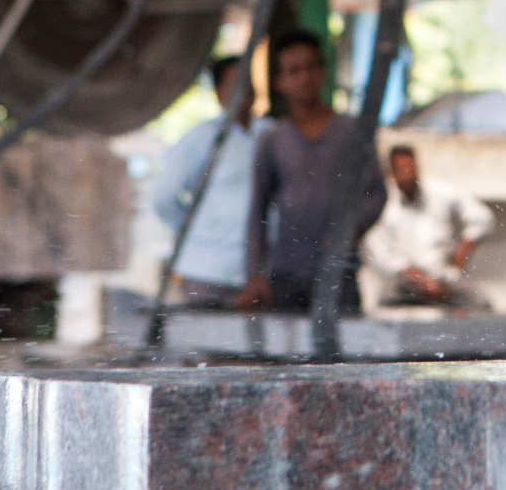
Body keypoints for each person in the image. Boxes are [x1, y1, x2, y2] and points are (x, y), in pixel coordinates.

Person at [235, 30, 385, 313]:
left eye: (311, 67)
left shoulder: (352, 132)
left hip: (340, 271)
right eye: (294, 70)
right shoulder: (273, 141)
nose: (305, 77)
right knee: (288, 352)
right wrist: (254, 275)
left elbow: (377, 192)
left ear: (323, 71)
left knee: (344, 351)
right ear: (279, 82)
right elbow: (258, 211)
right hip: (286, 274)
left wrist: (350, 229)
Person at [149, 55, 265, 308]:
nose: (243, 89)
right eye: (235, 82)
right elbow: (163, 198)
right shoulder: (200, 139)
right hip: (208, 271)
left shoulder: (270, 134)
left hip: (260, 273)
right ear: (218, 91)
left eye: (248, 81)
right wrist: (195, 227)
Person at [362, 144, 494, 308]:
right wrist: (423, 282)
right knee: (383, 311)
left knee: (482, 305)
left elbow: (481, 218)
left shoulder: (440, 193)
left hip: (445, 279)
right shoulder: (383, 204)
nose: (408, 174)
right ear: (392, 173)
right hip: (403, 284)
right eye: (401, 169)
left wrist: (457, 264)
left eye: (411, 167)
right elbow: (382, 254)